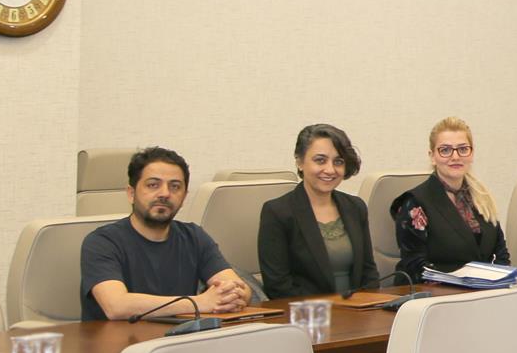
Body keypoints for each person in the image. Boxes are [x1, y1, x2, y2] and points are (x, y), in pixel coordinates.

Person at [80, 146, 250, 321]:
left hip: (179, 336)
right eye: (153, 185)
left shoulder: (194, 236)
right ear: (131, 194)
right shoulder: (102, 242)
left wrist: (233, 295)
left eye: (175, 187)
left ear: (184, 198)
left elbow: (241, 289)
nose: (165, 194)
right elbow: (116, 306)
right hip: (117, 337)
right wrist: (199, 302)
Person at [257, 123, 376, 300]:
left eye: (338, 162)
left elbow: (369, 272)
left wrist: (369, 305)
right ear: (300, 162)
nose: (330, 170)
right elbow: (278, 286)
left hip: (358, 309)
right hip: (307, 312)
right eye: (320, 160)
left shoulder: (355, 207)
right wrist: (329, 308)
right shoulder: (277, 212)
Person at [391, 117, 509, 283]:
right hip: (436, 294)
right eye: (445, 150)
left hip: (484, 292)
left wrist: (498, 282)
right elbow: (415, 267)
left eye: (463, 149)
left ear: (472, 154)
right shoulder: (415, 203)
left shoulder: (482, 199)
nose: (455, 156)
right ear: (432, 156)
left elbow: (501, 256)